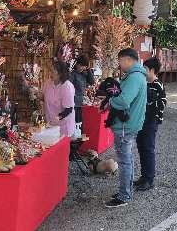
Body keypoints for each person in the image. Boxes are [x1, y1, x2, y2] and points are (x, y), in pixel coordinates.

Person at [104, 48, 147, 208]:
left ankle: (124, 195)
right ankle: (126, 191)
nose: (119, 64)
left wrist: (110, 102)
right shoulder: (137, 76)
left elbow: (123, 101)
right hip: (130, 124)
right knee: (127, 159)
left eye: (120, 61)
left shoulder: (134, 77)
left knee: (124, 161)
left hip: (125, 125)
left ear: (128, 60)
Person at [135, 57, 167, 192]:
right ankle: (143, 176)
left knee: (148, 149)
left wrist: (150, 106)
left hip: (151, 121)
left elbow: (163, 103)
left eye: (145, 69)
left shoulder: (157, 85)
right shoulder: (144, 83)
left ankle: (149, 179)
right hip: (141, 120)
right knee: (141, 147)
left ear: (152, 70)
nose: (143, 71)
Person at [41, 60, 75, 137]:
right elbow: (43, 97)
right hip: (50, 123)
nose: (50, 73)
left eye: (53, 71)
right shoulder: (48, 83)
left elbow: (68, 109)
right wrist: (34, 93)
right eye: (50, 71)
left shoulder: (67, 86)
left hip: (63, 125)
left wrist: (57, 118)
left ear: (60, 73)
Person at [70, 54, 95, 128]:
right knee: (75, 124)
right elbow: (68, 88)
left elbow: (92, 82)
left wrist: (88, 69)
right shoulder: (72, 74)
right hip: (74, 103)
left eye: (84, 66)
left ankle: (79, 138)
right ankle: (75, 138)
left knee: (81, 124)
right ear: (77, 64)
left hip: (82, 102)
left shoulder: (84, 73)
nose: (81, 68)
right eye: (80, 65)